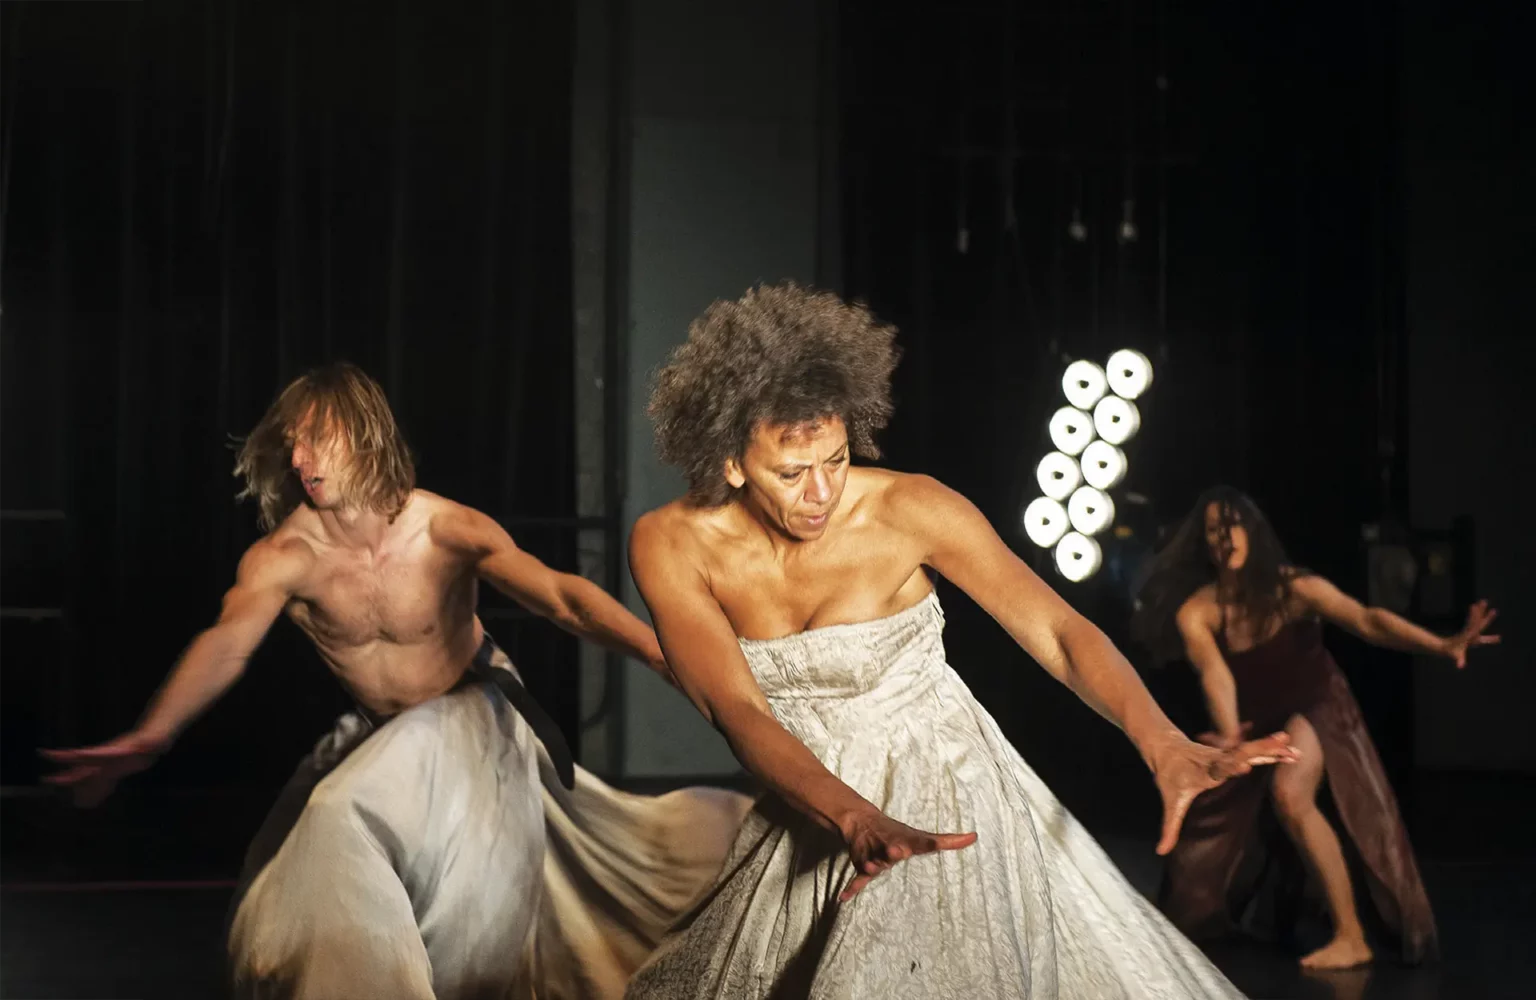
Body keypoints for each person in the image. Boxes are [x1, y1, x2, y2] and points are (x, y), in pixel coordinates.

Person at [620, 282, 1299, 999]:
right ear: (730, 461)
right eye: (792, 474)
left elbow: (1062, 633)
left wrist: (1159, 740)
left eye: (838, 458)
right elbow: (739, 711)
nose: (822, 493)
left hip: (953, 796)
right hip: (815, 809)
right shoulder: (672, 544)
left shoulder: (913, 509)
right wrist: (852, 815)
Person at [41, 362, 753, 1000]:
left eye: (318, 438)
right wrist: (151, 735)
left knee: (343, 816)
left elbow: (562, 597)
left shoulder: (442, 528)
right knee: (288, 884)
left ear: (366, 434)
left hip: (474, 713)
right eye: (293, 441)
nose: (300, 458)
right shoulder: (285, 557)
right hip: (392, 737)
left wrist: (664, 655)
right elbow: (226, 643)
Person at [1131, 486, 1498, 969]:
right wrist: (1233, 737)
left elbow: (1368, 620)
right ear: (1204, 543)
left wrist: (1443, 644)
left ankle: (1352, 936)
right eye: (1213, 530)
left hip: (1317, 703)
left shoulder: (1294, 589)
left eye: (1233, 524)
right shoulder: (1198, 610)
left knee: (1290, 791)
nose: (1224, 537)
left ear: (1253, 531)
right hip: (1259, 720)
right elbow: (1214, 673)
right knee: (1208, 833)